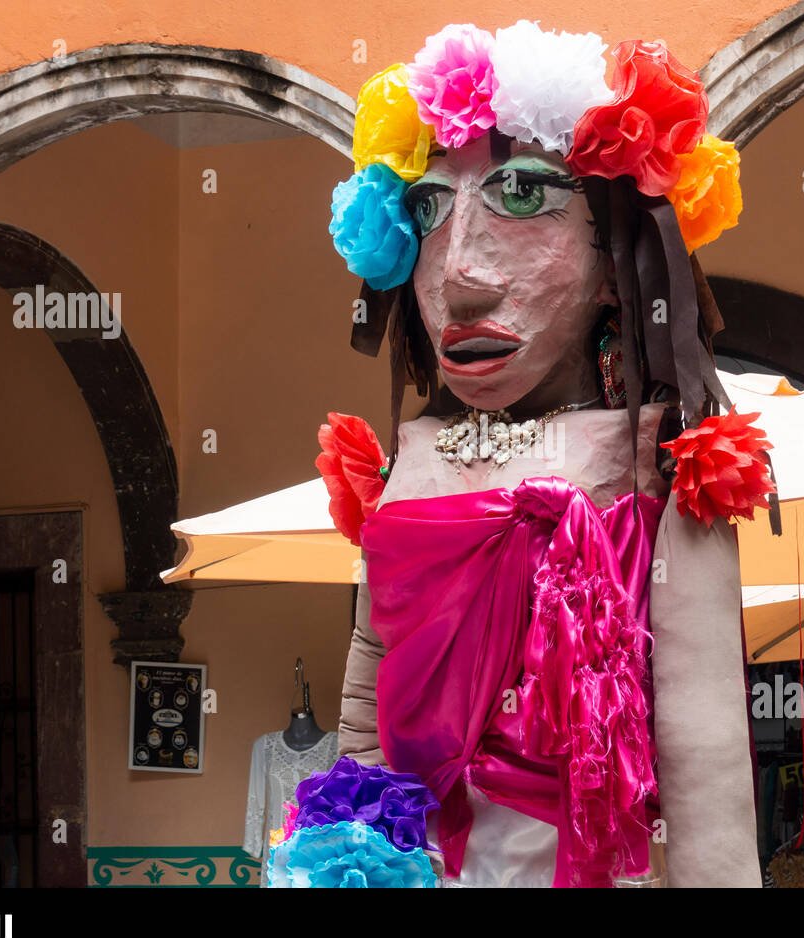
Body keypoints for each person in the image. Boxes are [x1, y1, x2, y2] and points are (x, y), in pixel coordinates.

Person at [317, 21, 776, 887]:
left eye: (522, 194)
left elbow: (706, 761)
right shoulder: (402, 472)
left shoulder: (664, 471)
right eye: (427, 208)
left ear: (617, 261)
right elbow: (364, 720)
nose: (460, 275)